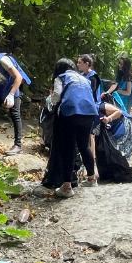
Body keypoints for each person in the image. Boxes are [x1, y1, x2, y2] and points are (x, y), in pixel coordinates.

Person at [44, 58, 100, 197]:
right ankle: (92, 179)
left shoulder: (61, 77)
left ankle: (67, 187)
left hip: (71, 112)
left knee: (68, 148)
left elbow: (57, 95)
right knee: (83, 145)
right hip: (89, 112)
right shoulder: (83, 78)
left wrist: (50, 102)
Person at [100, 91, 132, 159]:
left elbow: (119, 112)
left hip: (124, 123)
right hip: (116, 123)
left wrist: (108, 119)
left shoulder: (101, 106)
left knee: (119, 151)